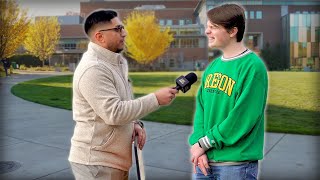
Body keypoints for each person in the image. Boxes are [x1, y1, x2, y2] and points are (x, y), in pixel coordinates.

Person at [69, 9, 178, 180]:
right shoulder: (94, 69)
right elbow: (114, 113)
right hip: (97, 163)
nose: (124, 33)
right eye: (118, 29)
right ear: (100, 37)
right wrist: (155, 99)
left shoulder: (116, 62)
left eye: (123, 28)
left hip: (114, 161)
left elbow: (120, 103)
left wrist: (133, 123)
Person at [189, 3, 268, 180]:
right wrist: (198, 144)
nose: (207, 32)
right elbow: (201, 109)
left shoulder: (252, 67)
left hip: (236, 166)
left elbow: (242, 118)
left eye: (213, 27)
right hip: (204, 161)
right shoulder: (213, 67)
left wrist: (204, 143)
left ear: (233, 31)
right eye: (207, 27)